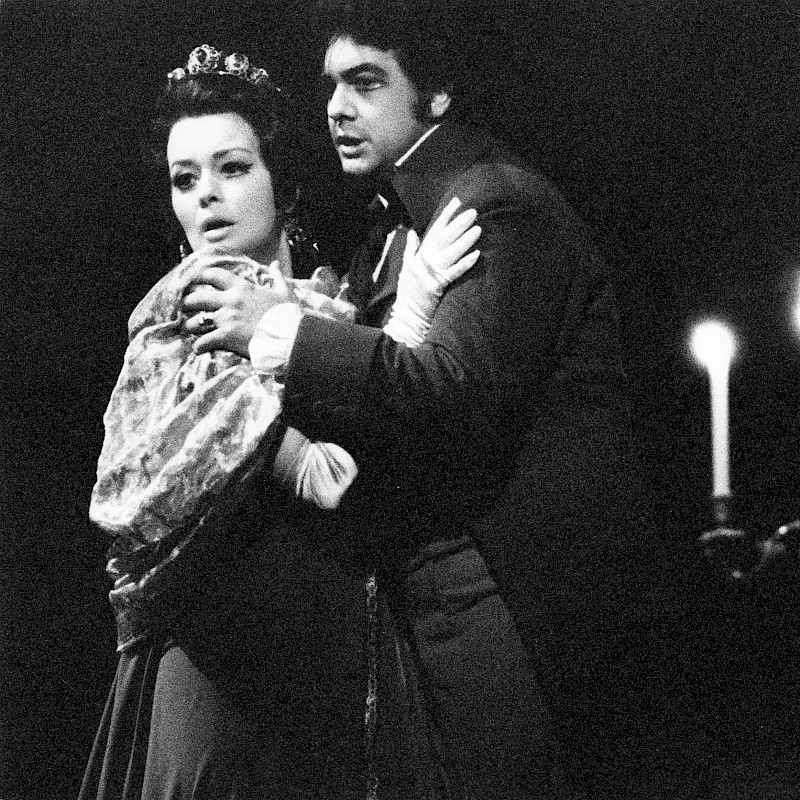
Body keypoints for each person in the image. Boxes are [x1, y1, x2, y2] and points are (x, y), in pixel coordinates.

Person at [179, 6, 705, 799]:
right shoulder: (393, 227)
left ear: (437, 95)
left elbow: (455, 393)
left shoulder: (492, 202)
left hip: (518, 594)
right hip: (414, 596)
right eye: (331, 86)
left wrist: (281, 329)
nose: (337, 108)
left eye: (366, 83)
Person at [79, 43, 481, 800]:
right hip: (222, 651)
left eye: (232, 168)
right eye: (185, 179)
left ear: (284, 185)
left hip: (336, 650)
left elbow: (393, 423)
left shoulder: (340, 307)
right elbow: (138, 477)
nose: (207, 196)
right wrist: (286, 448)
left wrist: (413, 307)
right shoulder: (179, 317)